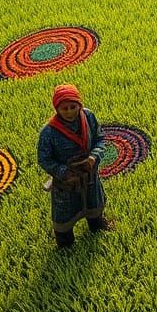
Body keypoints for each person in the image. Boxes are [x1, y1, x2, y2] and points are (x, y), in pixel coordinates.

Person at [37, 83, 111, 248]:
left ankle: (97, 225)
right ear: (57, 109)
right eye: (65, 108)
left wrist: (93, 158)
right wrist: (64, 171)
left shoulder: (89, 117)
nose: (69, 111)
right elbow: (44, 159)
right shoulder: (48, 132)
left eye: (73, 106)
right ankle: (65, 244)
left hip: (89, 174)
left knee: (94, 202)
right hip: (66, 183)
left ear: (79, 104)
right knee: (65, 214)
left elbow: (100, 139)